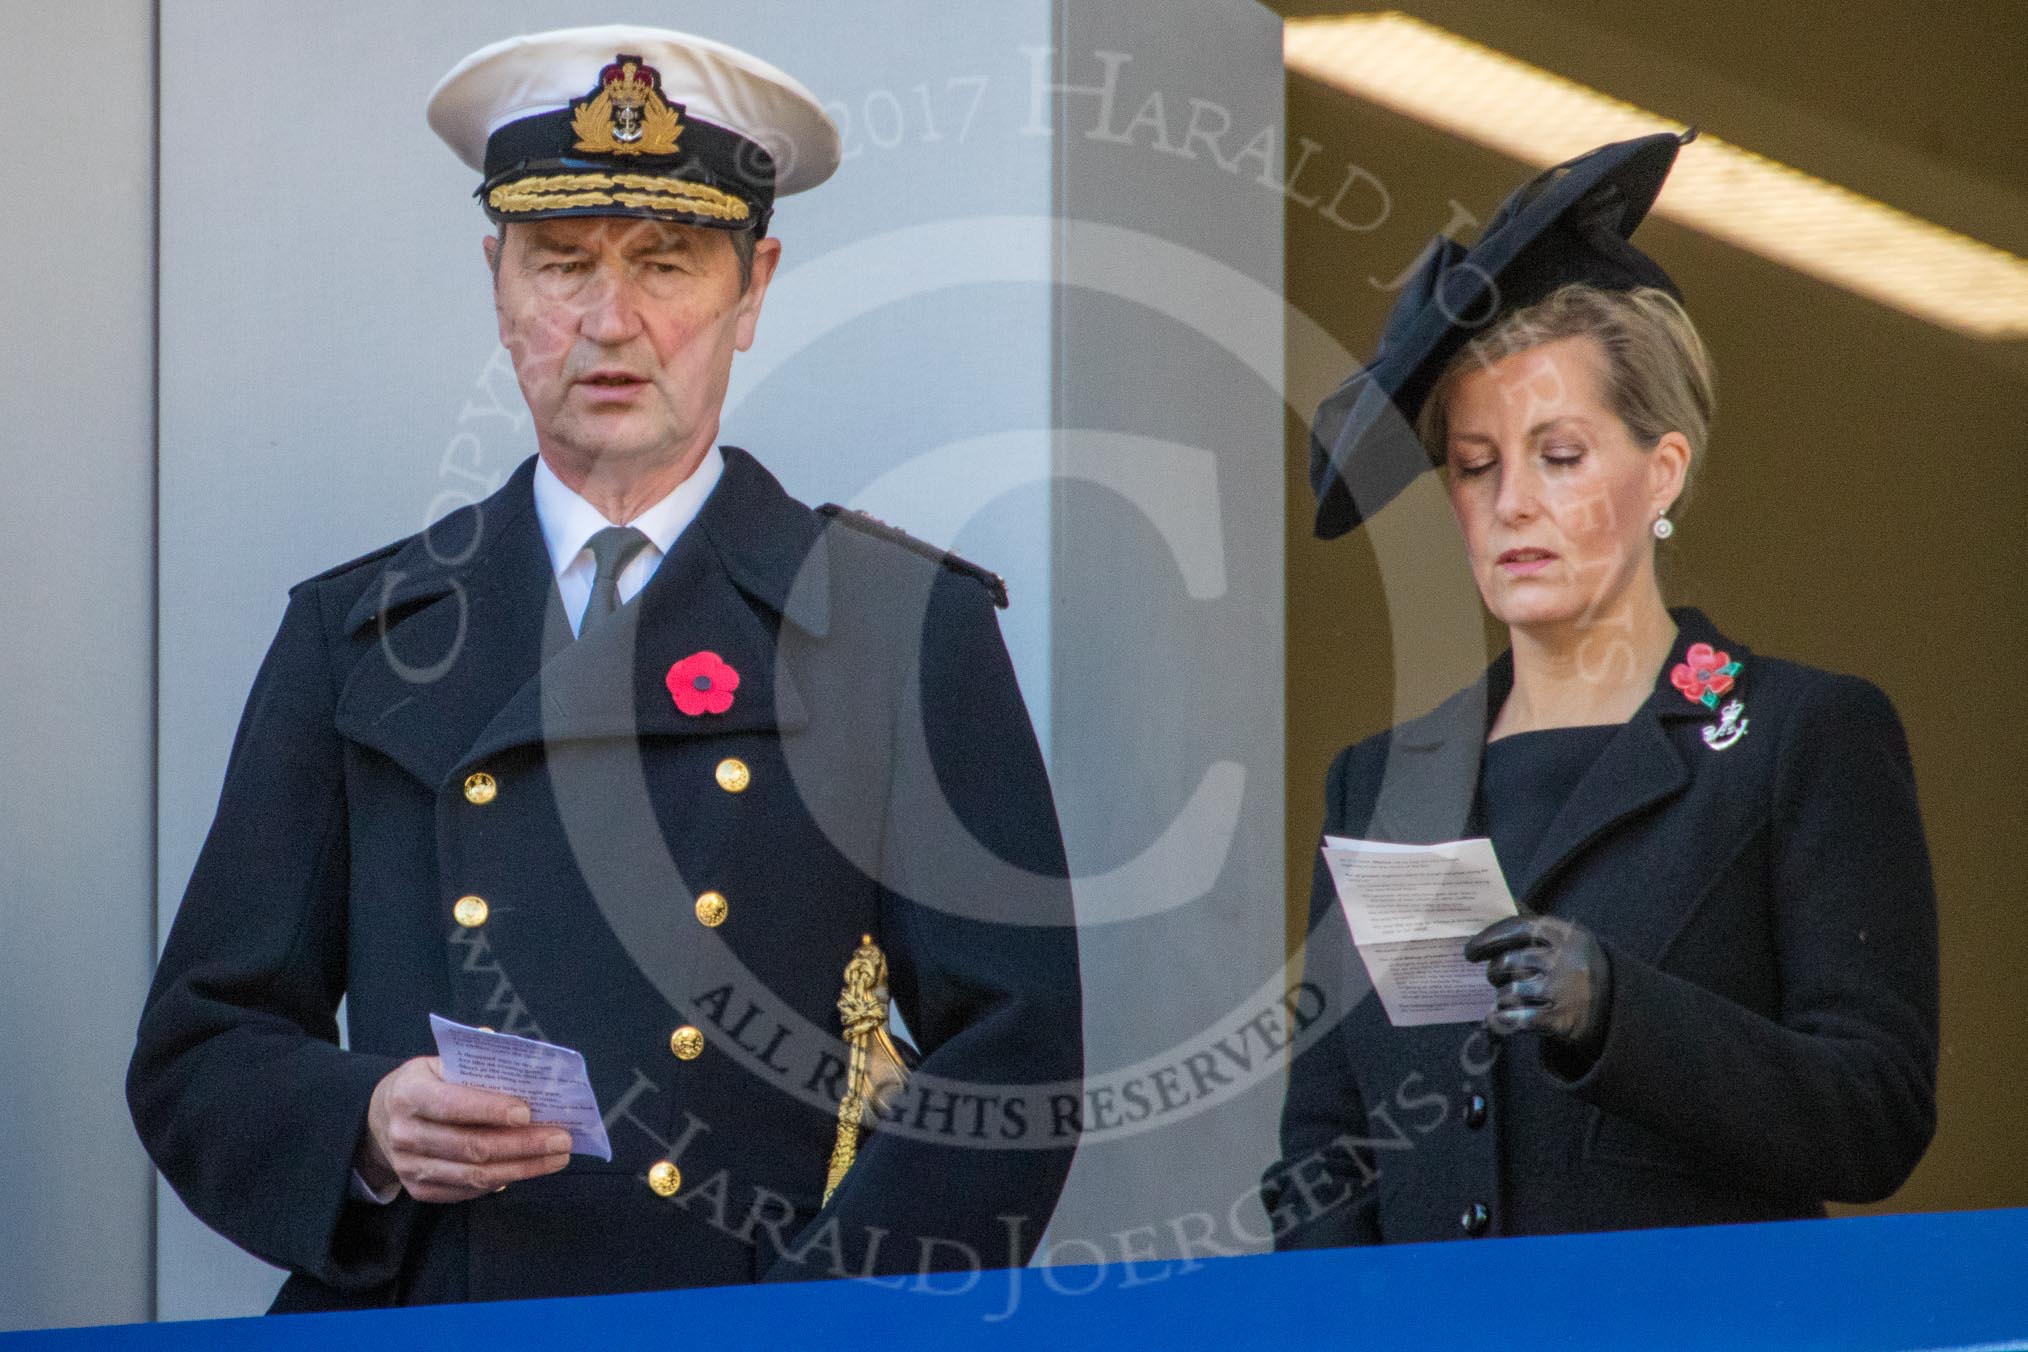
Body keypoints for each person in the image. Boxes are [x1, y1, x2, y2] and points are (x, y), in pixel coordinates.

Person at [128, 25, 1082, 1309]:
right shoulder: (357, 633)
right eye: (561, 264)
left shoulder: (898, 629)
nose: (609, 321)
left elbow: (1012, 1059)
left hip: (750, 1314)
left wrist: (817, 1318)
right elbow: (202, 1047)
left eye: (668, 264)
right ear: (498, 282)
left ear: (755, 293)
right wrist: (366, 1120)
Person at [1263, 132, 1938, 1244]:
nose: (1511, 502)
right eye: (1476, 466)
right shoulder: (1383, 780)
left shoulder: (1794, 736)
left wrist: (1620, 1010)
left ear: (1661, 470)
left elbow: (1876, 1110)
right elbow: (1327, 1152)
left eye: (1560, 455)